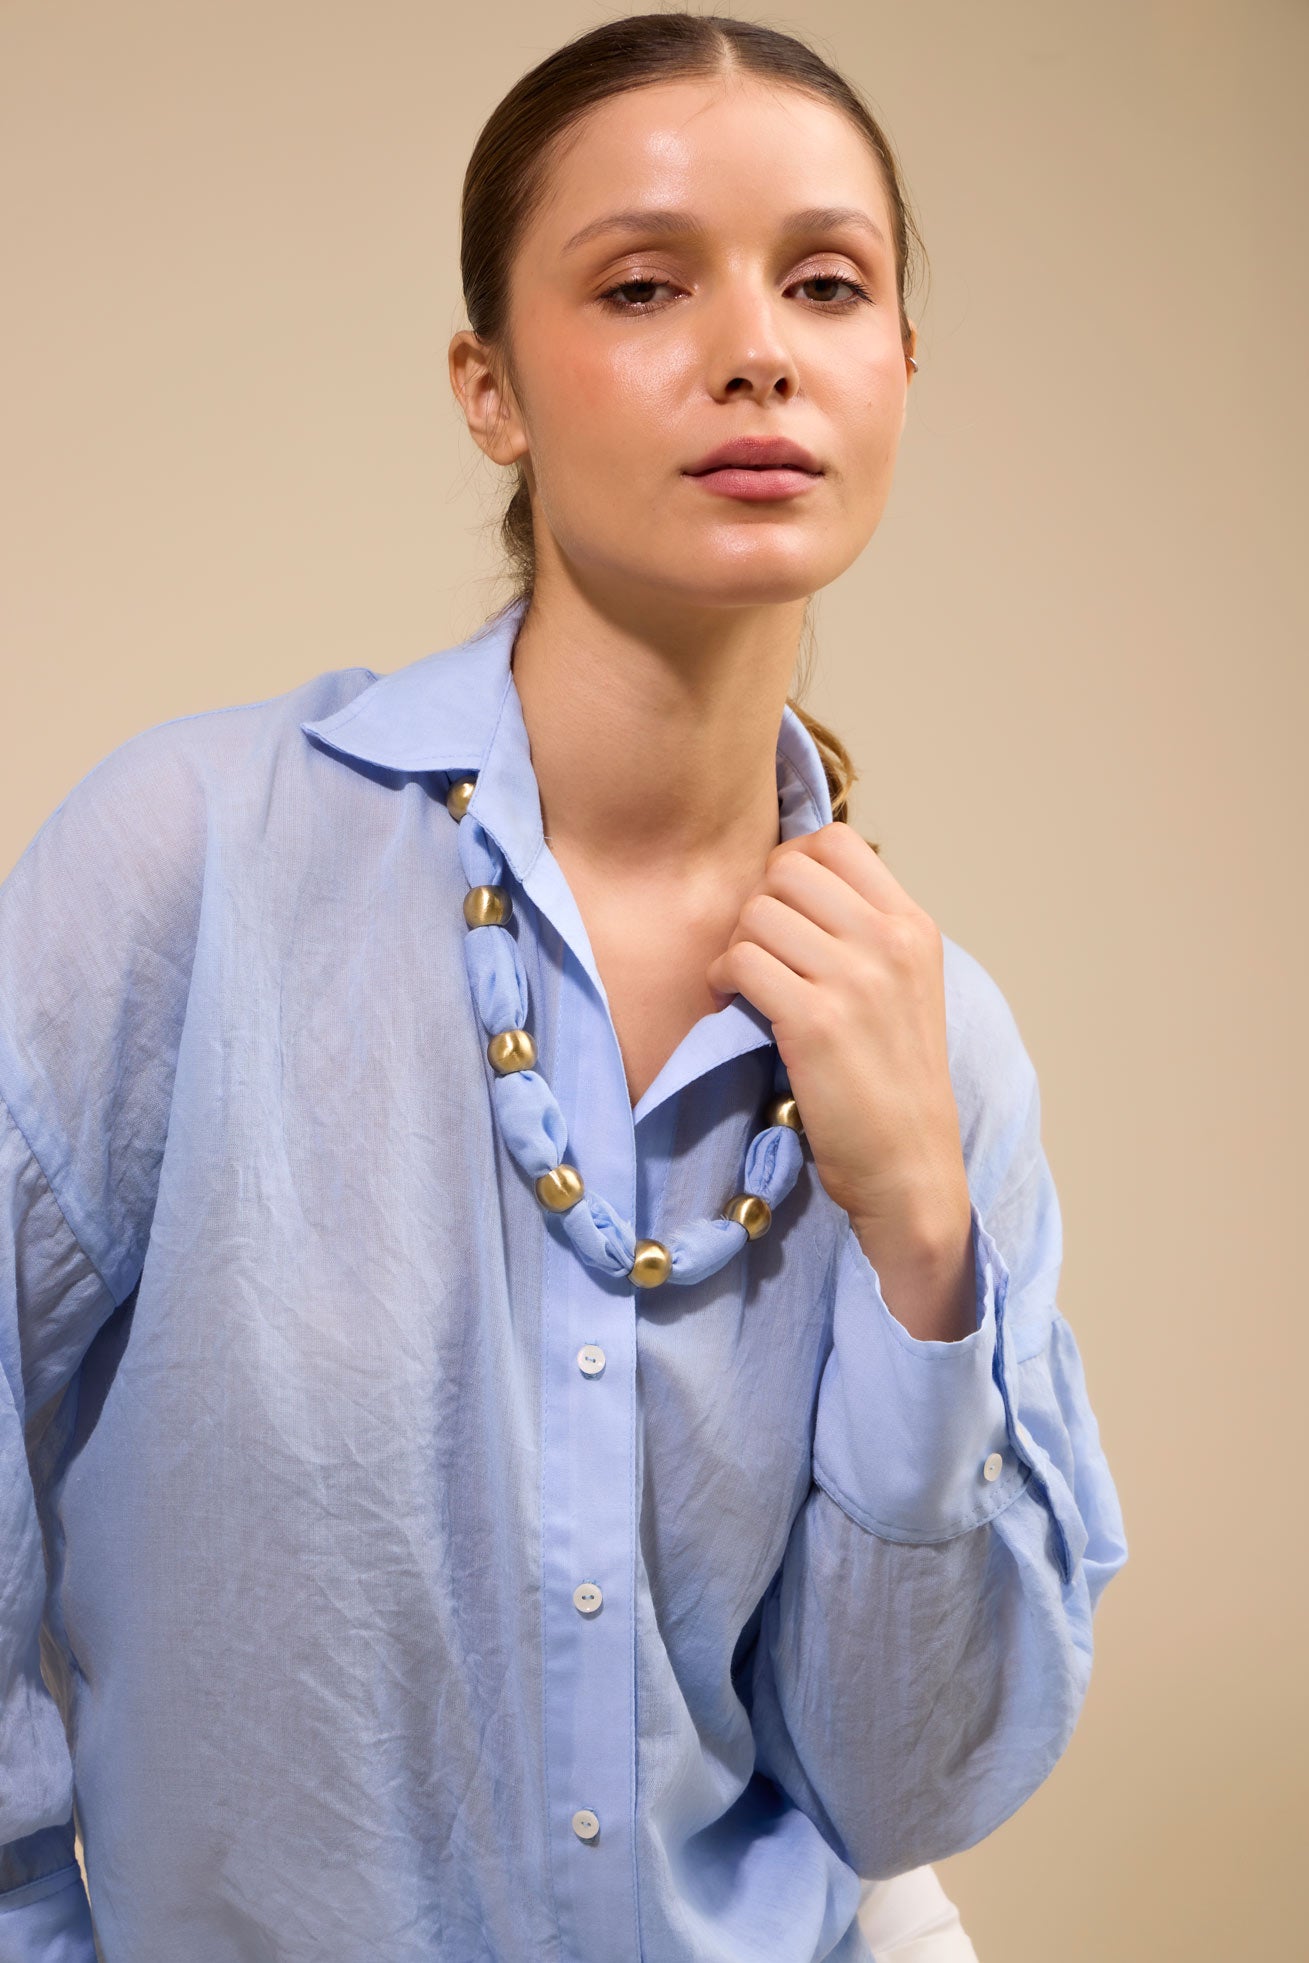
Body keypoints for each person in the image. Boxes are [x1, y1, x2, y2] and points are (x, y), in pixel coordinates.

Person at [0, 12, 1128, 1960]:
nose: (755, 348)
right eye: (641, 284)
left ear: (898, 369)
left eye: (825, 284)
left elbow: (897, 1790)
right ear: (490, 389)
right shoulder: (189, 868)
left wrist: (922, 1242)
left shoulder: (930, 1039)